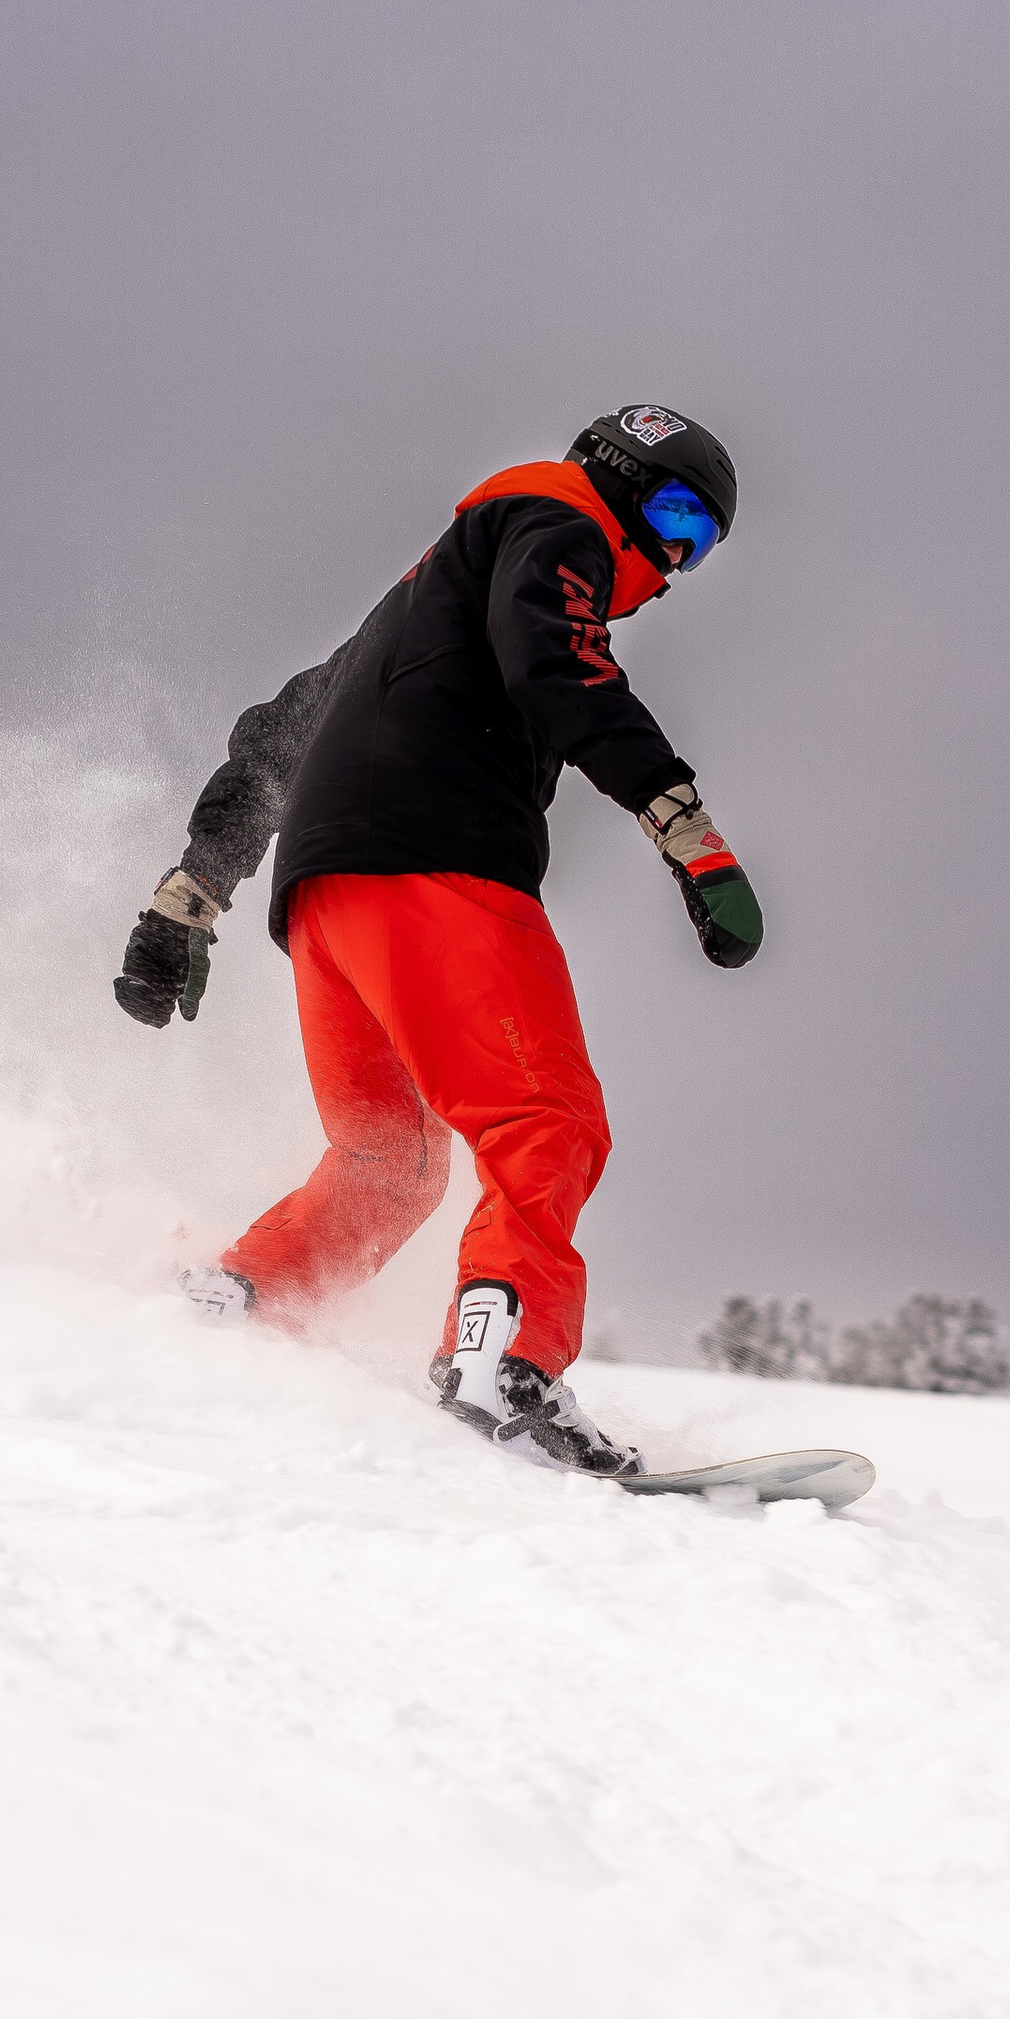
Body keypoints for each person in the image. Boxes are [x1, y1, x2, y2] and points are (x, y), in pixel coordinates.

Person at [114, 409, 761, 1475]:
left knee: (392, 1160)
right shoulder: (558, 519)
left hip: (328, 906)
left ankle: (238, 1299)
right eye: (678, 515)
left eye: (700, 545)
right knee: (544, 1119)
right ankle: (502, 1363)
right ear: (617, 476)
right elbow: (560, 661)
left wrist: (188, 898)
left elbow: (279, 732)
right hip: (437, 869)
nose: (675, 558)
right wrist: (689, 838)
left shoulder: (422, 598)